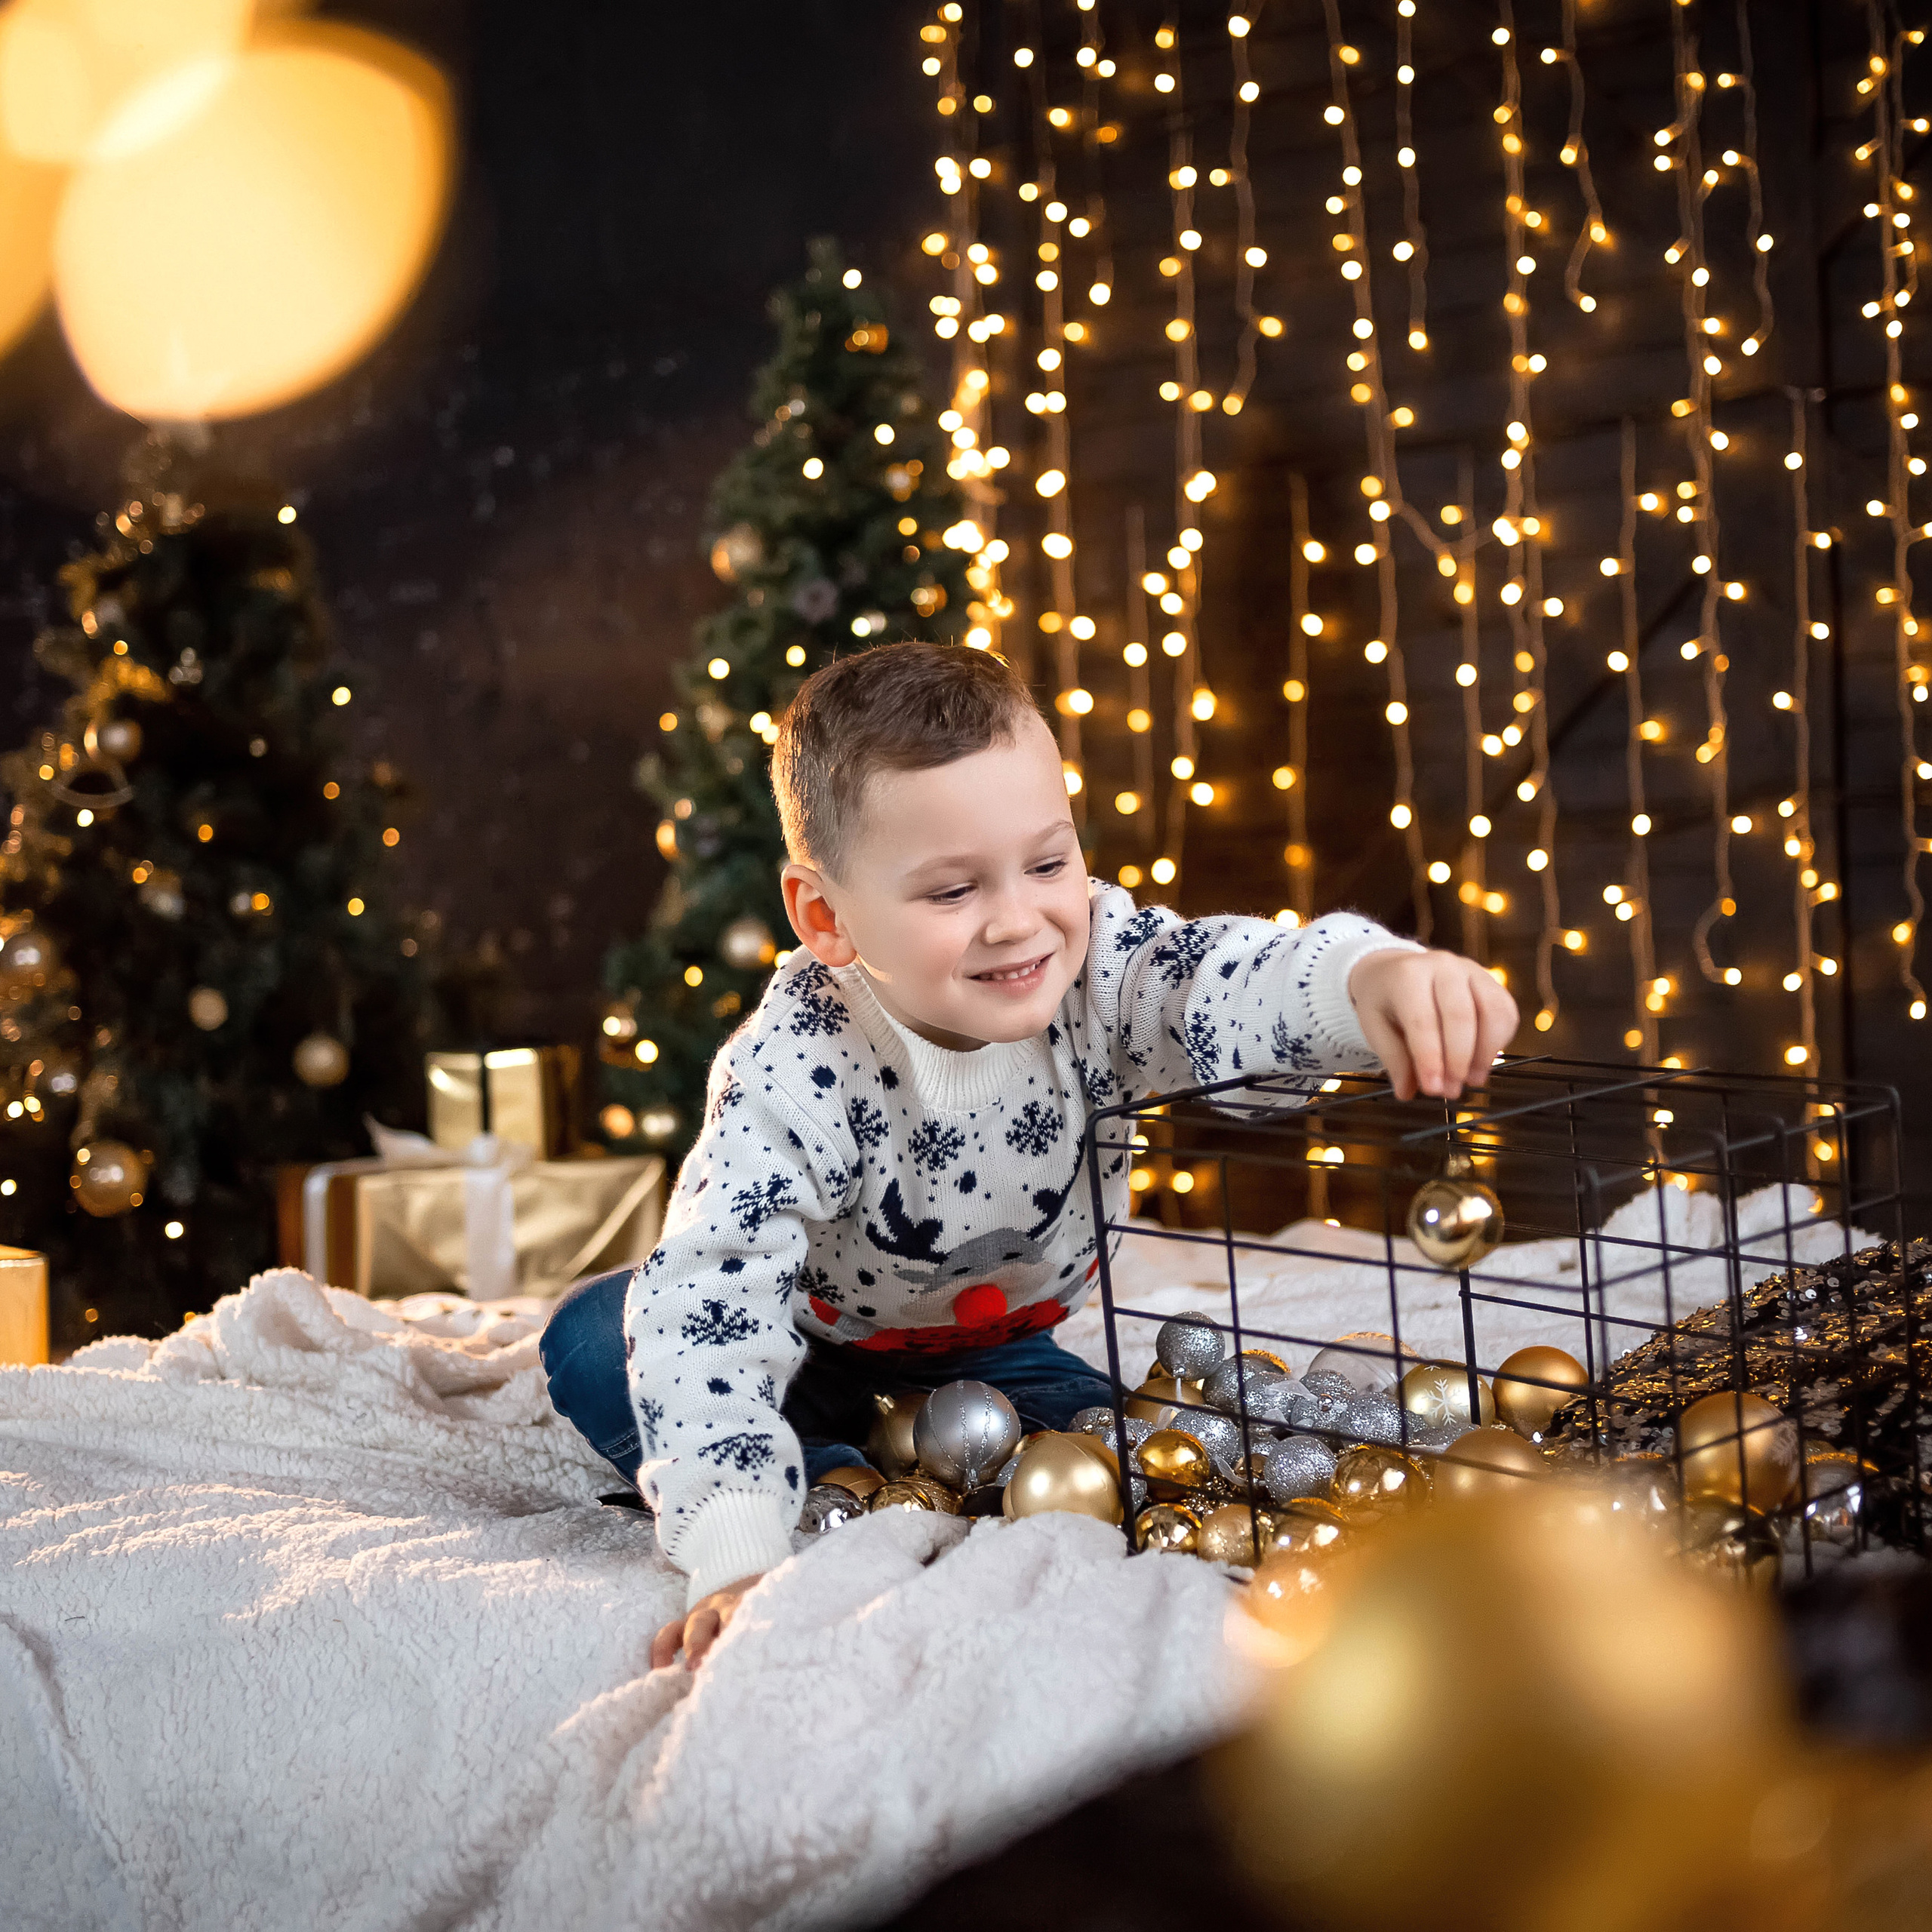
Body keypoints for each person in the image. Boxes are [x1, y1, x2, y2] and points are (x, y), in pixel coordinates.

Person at [540, 642, 1516, 1670]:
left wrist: (1363, 981)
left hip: (999, 1353)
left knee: (1119, 1462)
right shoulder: (793, 1068)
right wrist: (735, 1553)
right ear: (827, 916)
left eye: (1048, 865)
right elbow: (713, 1291)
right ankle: (837, 1483)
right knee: (602, 1340)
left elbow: (1221, 979)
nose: (1019, 923)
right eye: (952, 891)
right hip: (810, 1336)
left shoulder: (1103, 969)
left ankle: (932, 1464)